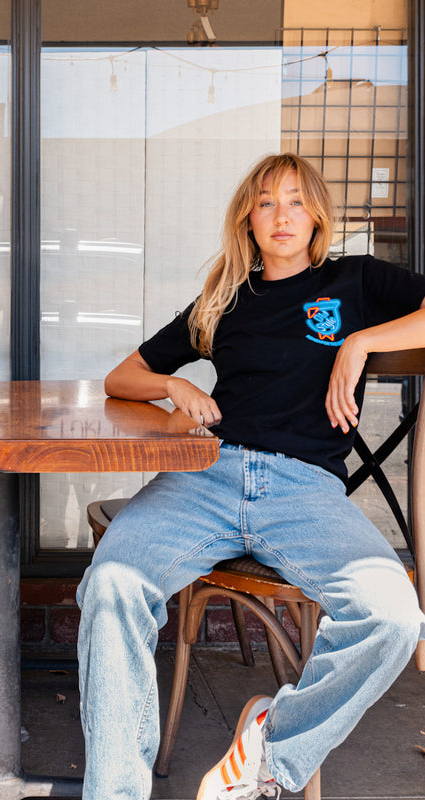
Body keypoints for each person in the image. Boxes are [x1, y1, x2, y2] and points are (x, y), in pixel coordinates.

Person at [76, 153, 425, 799]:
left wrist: (360, 343)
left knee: (392, 616)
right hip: (205, 476)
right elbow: (121, 378)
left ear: (317, 213)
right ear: (248, 218)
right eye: (266, 202)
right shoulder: (222, 299)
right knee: (112, 587)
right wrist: (174, 385)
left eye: (295, 200)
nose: (282, 214)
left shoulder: (356, 281)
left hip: (305, 491)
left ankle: (272, 750)